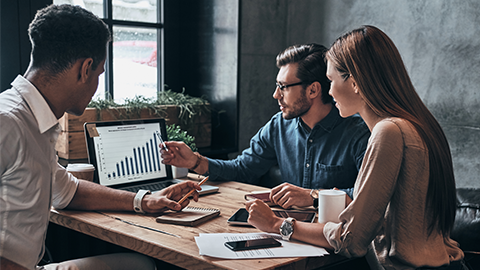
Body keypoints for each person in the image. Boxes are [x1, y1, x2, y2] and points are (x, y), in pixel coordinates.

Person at [245, 25, 465, 270]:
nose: (327, 91)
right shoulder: (418, 124)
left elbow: (351, 240)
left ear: (355, 81)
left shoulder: (388, 132)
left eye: (330, 80)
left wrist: (277, 224)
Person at [0, 4, 202, 270]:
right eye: (99, 73)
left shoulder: (36, 120)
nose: (96, 85)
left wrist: (144, 200)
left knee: (139, 266)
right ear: (85, 69)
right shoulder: (8, 121)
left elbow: (67, 191)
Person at [161, 43, 370, 209]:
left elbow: (367, 197)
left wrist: (313, 196)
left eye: (283, 87)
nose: (275, 95)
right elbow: (243, 169)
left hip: (336, 245)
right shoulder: (278, 126)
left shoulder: (358, 133)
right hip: (287, 233)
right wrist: (195, 161)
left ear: (313, 90)